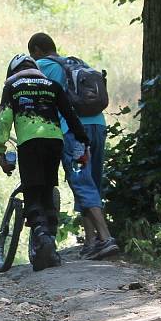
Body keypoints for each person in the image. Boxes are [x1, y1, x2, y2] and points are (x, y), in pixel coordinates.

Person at [28, 32, 119, 260]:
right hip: (98, 126)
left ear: (37, 50)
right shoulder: (77, 63)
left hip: (74, 131)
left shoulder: (42, 66)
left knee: (80, 182)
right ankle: (90, 242)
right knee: (91, 183)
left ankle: (105, 238)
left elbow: (21, 93)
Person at [0, 54, 90, 271]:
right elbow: (70, 115)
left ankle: (39, 230)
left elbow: (5, 118)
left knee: (32, 188)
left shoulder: (12, 85)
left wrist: (0, 149)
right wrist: (83, 141)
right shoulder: (52, 85)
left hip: (29, 142)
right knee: (47, 187)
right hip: (54, 141)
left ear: (13, 71)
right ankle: (50, 245)